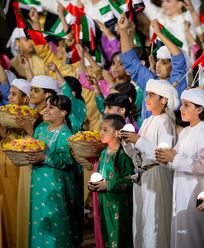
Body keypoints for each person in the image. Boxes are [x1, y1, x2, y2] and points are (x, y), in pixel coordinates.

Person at [155, 88, 204, 248]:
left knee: (193, 234)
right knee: (180, 232)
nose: (181, 109)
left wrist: (173, 158)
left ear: (199, 109)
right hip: (180, 188)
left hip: (196, 190)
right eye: (182, 105)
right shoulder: (185, 132)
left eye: (186, 105)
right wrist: (165, 158)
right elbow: (175, 158)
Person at [120, 79, 179, 248]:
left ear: (164, 100)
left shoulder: (166, 122)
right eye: (146, 95)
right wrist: (127, 142)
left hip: (157, 176)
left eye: (151, 95)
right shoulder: (147, 121)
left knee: (155, 220)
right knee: (141, 221)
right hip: (142, 176)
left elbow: (162, 155)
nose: (146, 99)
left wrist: (138, 140)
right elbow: (136, 155)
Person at [27, 95, 83, 247]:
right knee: (38, 217)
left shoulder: (66, 135)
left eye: (51, 107)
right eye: (46, 106)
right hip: (37, 181)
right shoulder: (40, 128)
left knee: (55, 218)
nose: (45, 110)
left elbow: (67, 161)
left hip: (55, 183)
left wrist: (45, 158)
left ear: (63, 113)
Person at [118, 14, 187, 121]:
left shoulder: (177, 83)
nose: (158, 65)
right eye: (158, 61)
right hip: (145, 135)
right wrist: (123, 31)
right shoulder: (150, 80)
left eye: (164, 62)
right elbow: (130, 62)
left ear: (172, 66)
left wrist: (159, 33)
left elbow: (179, 60)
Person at [88, 114, 134, 248]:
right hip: (104, 201)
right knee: (106, 235)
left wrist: (108, 185)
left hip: (119, 204)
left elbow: (130, 178)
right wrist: (94, 184)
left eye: (105, 130)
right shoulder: (104, 152)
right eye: (101, 129)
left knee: (119, 236)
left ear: (117, 133)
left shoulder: (123, 154)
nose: (101, 132)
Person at [0, 78, 30, 248]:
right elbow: (6, 136)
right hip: (3, 164)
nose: (10, 98)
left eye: (14, 94)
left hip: (18, 169)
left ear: (25, 98)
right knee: (4, 210)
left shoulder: (31, 117)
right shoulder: (7, 113)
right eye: (9, 94)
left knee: (16, 211)